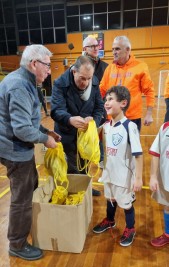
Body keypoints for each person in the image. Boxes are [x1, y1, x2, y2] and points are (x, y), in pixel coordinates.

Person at [0, 44, 61, 261]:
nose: (49, 70)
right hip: (15, 151)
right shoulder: (19, 85)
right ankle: (16, 244)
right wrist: (45, 140)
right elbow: (22, 129)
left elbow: (30, 121)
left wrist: (47, 131)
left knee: (31, 186)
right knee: (22, 198)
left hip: (17, 148)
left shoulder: (26, 81)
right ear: (34, 63)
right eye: (47, 65)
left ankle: (26, 231)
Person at [93, 86, 143, 247]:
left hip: (124, 175)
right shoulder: (106, 126)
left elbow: (138, 154)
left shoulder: (130, 127)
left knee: (126, 203)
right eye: (106, 99)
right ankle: (110, 220)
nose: (106, 102)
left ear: (123, 103)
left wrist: (138, 178)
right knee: (110, 198)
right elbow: (92, 137)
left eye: (110, 99)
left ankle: (130, 228)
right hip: (109, 172)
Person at [51, 55, 104, 197]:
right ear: (74, 71)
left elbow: (99, 108)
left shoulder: (94, 82)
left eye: (89, 78)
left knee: (85, 163)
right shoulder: (60, 83)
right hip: (67, 133)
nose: (86, 83)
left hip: (86, 135)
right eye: (82, 78)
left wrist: (93, 122)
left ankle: (85, 187)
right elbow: (56, 111)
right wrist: (69, 119)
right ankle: (75, 192)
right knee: (72, 167)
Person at [99, 35, 155, 132]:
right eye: (112, 49)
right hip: (112, 117)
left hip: (132, 118)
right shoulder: (109, 68)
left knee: (131, 147)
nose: (113, 52)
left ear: (128, 49)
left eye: (117, 49)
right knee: (112, 147)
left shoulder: (140, 67)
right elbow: (101, 90)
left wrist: (149, 114)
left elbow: (149, 91)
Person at [83, 36, 108, 166]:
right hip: (84, 109)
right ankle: (85, 158)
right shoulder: (78, 65)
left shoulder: (105, 66)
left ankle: (102, 159)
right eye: (92, 46)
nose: (95, 48)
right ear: (84, 49)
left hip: (101, 108)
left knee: (101, 135)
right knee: (86, 135)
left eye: (97, 45)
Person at [149, 122, 169, 247]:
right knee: (167, 206)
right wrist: (153, 176)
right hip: (166, 179)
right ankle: (167, 234)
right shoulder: (165, 127)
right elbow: (156, 154)